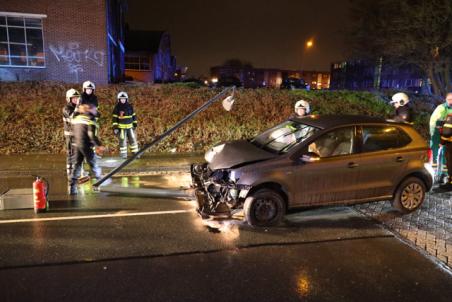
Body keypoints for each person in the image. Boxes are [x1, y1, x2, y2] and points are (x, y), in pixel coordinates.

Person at [69, 104, 105, 195]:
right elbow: (91, 134)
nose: (96, 111)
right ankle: (99, 185)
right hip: (86, 145)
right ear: (90, 110)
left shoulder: (76, 119)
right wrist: (99, 145)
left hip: (76, 145)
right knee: (94, 165)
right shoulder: (90, 120)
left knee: (77, 165)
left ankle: (72, 188)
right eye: (94, 110)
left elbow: (72, 133)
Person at [430, 92, 452, 187]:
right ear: (446, 99)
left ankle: (445, 175)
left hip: (446, 136)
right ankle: (436, 174)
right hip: (437, 134)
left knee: (447, 157)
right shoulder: (442, 108)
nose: (451, 101)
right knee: (437, 154)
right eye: (449, 99)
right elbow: (437, 122)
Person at [112, 91, 139, 158]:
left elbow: (133, 115)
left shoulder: (130, 106)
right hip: (122, 128)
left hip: (130, 127)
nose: (123, 100)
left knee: (133, 140)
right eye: (121, 99)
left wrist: (135, 123)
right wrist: (115, 127)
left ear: (126, 99)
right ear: (119, 99)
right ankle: (123, 155)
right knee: (123, 142)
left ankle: (135, 154)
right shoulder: (117, 107)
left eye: (124, 99)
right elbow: (114, 118)